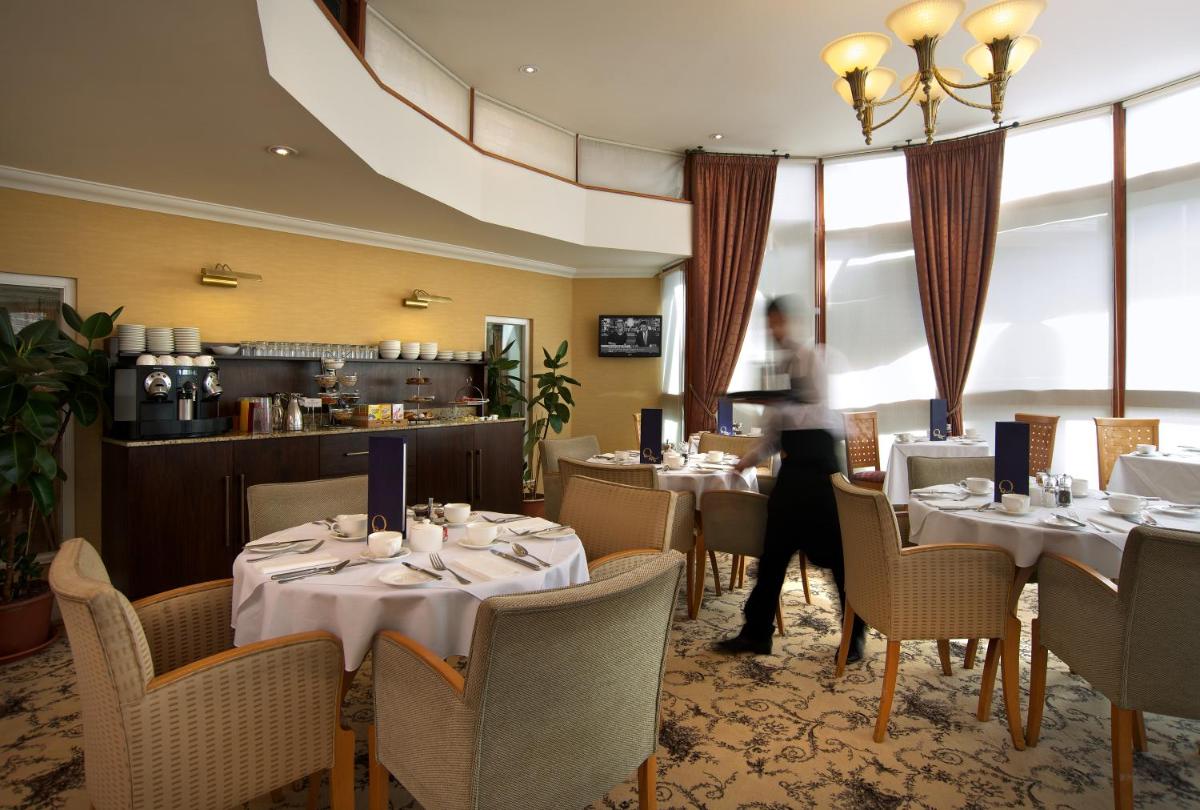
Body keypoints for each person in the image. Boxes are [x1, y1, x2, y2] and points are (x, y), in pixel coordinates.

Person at [715, 296, 867, 662]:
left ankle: (854, 637)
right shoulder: (779, 366)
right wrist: (746, 461)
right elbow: (774, 436)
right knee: (772, 556)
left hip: (822, 475)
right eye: (770, 323)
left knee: (839, 559)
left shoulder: (813, 357)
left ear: (791, 323)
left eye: (778, 322)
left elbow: (814, 406)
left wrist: (771, 400)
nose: (774, 329)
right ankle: (756, 633)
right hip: (794, 474)